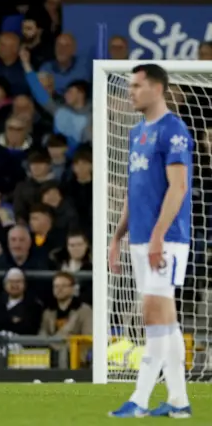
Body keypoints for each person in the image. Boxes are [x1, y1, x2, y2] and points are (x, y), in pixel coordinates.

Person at [109, 64, 192, 418]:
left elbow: (179, 187)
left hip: (167, 238)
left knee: (153, 315)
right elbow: (134, 190)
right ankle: (179, 401)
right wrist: (116, 237)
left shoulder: (174, 131)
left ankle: (140, 399)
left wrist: (158, 236)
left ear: (157, 88)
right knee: (164, 321)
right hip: (141, 238)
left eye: (137, 85)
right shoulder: (136, 133)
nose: (131, 91)